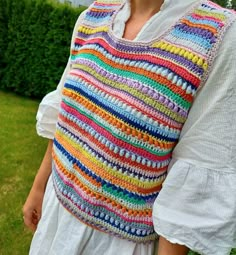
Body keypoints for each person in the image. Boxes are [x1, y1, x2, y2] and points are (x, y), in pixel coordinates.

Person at [23, 0, 236, 254]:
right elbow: (66, 114)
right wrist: (39, 187)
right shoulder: (94, 15)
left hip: (118, 243)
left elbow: (195, 178)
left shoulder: (218, 36)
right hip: (55, 217)